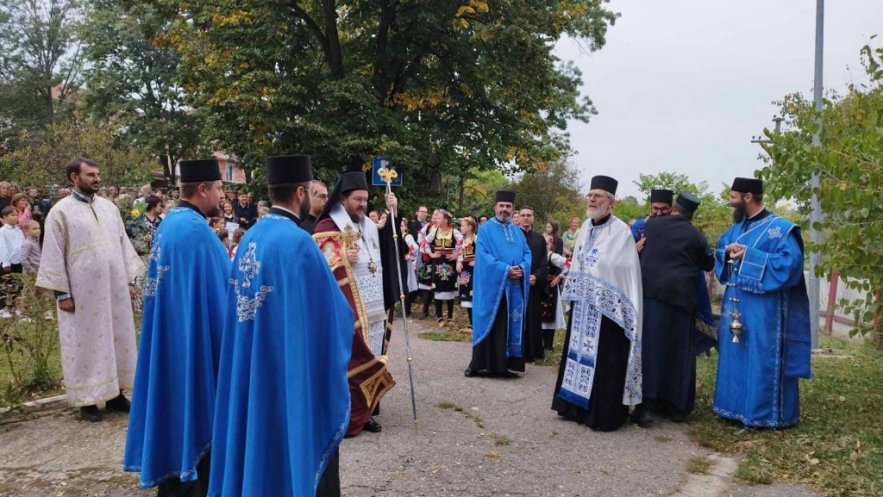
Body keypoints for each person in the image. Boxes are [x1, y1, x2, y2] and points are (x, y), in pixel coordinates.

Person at [210, 154, 353, 497]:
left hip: (252, 359)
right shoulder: (298, 242)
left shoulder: (252, 236)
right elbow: (334, 314)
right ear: (301, 193)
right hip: (287, 368)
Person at [124, 159, 230, 496]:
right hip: (195, 344)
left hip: (173, 338)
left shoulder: (172, 223)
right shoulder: (197, 232)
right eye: (218, 188)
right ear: (203, 189)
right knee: (198, 416)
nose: (222, 194)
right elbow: (221, 299)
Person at [36, 157, 144, 421]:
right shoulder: (60, 212)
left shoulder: (109, 208)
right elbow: (53, 253)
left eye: (97, 174)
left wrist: (129, 281)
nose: (97, 179)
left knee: (116, 338)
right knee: (85, 343)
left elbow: (123, 245)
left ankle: (116, 393)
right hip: (81, 293)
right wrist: (62, 293)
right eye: (90, 175)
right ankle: (87, 401)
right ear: (75, 177)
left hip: (114, 289)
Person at [713, 177, 811, 428]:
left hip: (765, 309)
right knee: (735, 355)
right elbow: (721, 247)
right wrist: (726, 252)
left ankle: (764, 414)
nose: (729, 202)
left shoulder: (781, 228)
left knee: (760, 355)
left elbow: (791, 265)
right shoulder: (738, 227)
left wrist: (750, 255)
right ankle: (733, 408)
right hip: (735, 305)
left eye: (733, 197)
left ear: (748, 197)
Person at [552, 176, 642, 432]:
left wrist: (596, 278)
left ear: (611, 202)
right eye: (590, 195)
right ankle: (572, 406)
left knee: (605, 358)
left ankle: (601, 413)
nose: (592, 200)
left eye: (598, 196)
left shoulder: (621, 231)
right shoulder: (584, 227)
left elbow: (622, 268)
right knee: (576, 355)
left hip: (607, 310)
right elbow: (578, 261)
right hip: (583, 307)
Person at [312, 171, 396, 436]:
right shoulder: (328, 225)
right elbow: (319, 263)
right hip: (348, 308)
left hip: (373, 306)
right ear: (343, 199)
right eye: (358, 199)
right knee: (350, 358)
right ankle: (345, 415)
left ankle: (368, 410)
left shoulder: (367, 225)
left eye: (366, 200)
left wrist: (394, 214)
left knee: (372, 354)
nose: (363, 204)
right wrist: (343, 259)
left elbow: (387, 247)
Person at [633, 192, 715, 426]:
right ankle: (677, 407)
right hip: (682, 299)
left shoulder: (649, 227)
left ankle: (646, 407)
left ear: (673, 208)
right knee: (680, 352)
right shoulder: (696, 234)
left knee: (651, 349)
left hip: (651, 296)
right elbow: (708, 264)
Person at [464, 191, 531, 378]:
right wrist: (505, 270)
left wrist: (522, 268)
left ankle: (506, 365)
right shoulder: (485, 229)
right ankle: (480, 365)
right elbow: (483, 256)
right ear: (495, 207)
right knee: (492, 322)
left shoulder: (517, 231)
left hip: (514, 287)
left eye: (508, 206)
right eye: (501, 206)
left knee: (509, 324)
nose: (504, 209)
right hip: (494, 287)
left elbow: (527, 254)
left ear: (512, 209)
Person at [519, 206, 549, 361]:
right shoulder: (514, 236)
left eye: (528, 215)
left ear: (533, 217)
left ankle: (534, 352)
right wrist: (522, 275)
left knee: (533, 318)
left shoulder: (539, 238)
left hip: (533, 285)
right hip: (516, 284)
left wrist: (536, 277)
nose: (525, 218)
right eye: (523, 215)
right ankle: (518, 351)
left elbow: (544, 262)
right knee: (518, 317)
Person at [424, 210, 462, 324]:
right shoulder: (434, 231)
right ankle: (439, 315)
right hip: (438, 261)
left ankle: (450, 316)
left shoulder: (454, 232)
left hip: (450, 262)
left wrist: (456, 254)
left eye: (439, 218)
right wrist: (431, 254)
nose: (437, 220)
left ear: (446, 220)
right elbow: (424, 242)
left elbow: (464, 242)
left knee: (450, 286)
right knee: (438, 287)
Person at [541, 233, 567, 354]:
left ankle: (548, 346)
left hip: (550, 289)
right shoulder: (537, 255)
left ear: (551, 244)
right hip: (540, 288)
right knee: (539, 316)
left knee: (549, 317)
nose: (543, 245)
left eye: (546, 243)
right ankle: (540, 344)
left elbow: (568, 265)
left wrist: (559, 277)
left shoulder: (553, 256)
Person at [0, 206, 24, 318]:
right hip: (8, 264)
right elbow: (3, 247)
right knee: (6, 285)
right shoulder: (2, 231)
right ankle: (3, 308)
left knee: (18, 285)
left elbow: (22, 245)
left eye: (16, 215)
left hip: (19, 262)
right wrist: (6, 262)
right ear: (5, 217)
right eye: (12, 215)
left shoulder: (18, 230)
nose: (15, 217)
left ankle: (15, 307)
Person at [456, 216, 478, 333]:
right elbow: (460, 253)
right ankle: (471, 324)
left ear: (470, 227)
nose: (461, 227)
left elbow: (484, 252)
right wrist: (459, 262)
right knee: (466, 295)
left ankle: (476, 324)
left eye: (463, 225)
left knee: (474, 294)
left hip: (475, 270)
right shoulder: (463, 240)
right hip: (465, 270)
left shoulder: (477, 238)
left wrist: (477, 261)